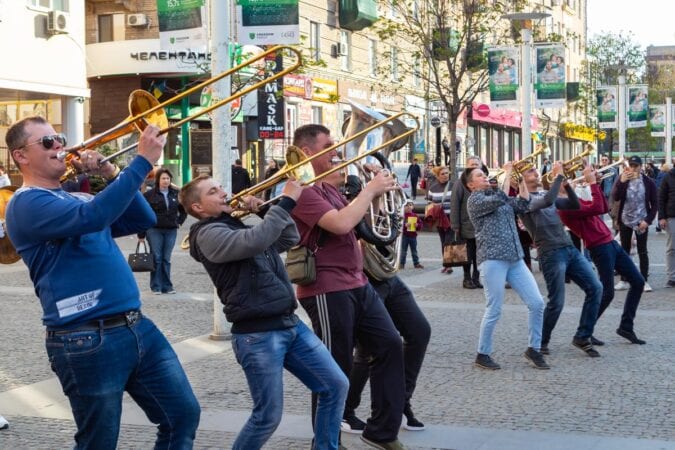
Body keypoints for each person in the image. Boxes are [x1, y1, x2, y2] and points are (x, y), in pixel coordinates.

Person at [5, 117, 200, 449]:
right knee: (99, 442)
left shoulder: (77, 199)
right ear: (20, 156)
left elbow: (142, 218)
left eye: (60, 138)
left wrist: (111, 174)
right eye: (48, 142)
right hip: (84, 337)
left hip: (136, 326)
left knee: (182, 415)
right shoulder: (26, 203)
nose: (59, 147)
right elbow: (94, 218)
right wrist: (141, 163)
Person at [180, 175, 348, 450]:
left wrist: (264, 209)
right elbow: (254, 241)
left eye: (220, 187)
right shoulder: (208, 234)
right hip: (257, 335)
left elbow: (290, 237)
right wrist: (286, 201)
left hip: (289, 324)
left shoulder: (235, 226)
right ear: (198, 208)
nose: (223, 193)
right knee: (267, 416)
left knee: (335, 385)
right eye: (213, 192)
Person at [289, 124, 407, 450]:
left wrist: (378, 196)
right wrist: (369, 190)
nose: (337, 151)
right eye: (329, 146)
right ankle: (327, 442)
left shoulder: (331, 188)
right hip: (326, 288)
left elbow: (360, 227)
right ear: (308, 153)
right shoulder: (302, 190)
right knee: (332, 367)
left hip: (357, 281)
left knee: (389, 345)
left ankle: (381, 431)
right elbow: (339, 223)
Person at [464, 164, 548, 370]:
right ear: (471, 185)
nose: (484, 177)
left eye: (484, 174)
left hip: (515, 258)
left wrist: (521, 181)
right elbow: (500, 197)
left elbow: (523, 204)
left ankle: (534, 349)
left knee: (537, 303)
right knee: (494, 309)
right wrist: (507, 173)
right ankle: (482, 354)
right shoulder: (475, 200)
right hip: (492, 259)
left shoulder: (497, 196)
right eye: (479, 176)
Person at [343, 247, 431, 435]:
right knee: (367, 348)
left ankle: (400, 401)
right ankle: (345, 409)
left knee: (420, 331)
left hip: (386, 271)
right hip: (361, 274)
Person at [519, 164, 603, 357]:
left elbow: (574, 205)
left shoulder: (544, 192)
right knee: (557, 301)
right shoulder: (523, 201)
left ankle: (583, 336)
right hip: (550, 252)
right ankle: (541, 341)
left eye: (535, 169)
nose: (535, 172)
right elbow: (548, 201)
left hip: (568, 248)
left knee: (596, 288)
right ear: (521, 179)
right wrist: (558, 177)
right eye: (530, 171)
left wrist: (567, 186)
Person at [559, 166, 646, 345]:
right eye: (564, 181)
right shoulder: (564, 206)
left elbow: (598, 205)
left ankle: (626, 327)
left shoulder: (572, 199)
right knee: (607, 292)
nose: (569, 182)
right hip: (599, 247)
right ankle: (584, 332)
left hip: (610, 243)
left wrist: (595, 183)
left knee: (637, 282)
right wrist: (592, 183)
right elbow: (599, 207)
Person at [612, 156, 657, 293]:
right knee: (624, 251)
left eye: (636, 166)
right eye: (631, 165)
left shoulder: (648, 182)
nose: (633, 168)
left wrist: (647, 220)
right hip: (625, 219)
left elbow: (655, 204)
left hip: (641, 220)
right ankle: (624, 280)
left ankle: (643, 281)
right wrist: (620, 182)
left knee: (642, 251)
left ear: (640, 167)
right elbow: (615, 197)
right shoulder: (623, 179)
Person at [138, 168, 186, 295]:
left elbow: (183, 210)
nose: (166, 181)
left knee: (166, 258)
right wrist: (141, 235)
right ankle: (156, 286)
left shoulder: (175, 194)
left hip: (171, 229)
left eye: (168, 179)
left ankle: (167, 286)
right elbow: (142, 214)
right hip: (154, 229)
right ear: (158, 180)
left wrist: (179, 221)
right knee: (157, 258)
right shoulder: (149, 195)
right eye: (163, 178)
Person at [450, 155, 483, 289]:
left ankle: (476, 278)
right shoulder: (460, 182)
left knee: (479, 254)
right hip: (465, 225)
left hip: (481, 225)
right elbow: (455, 204)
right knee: (467, 254)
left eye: (477, 164)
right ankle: (467, 278)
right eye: (472, 164)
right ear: (466, 166)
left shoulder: (483, 179)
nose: (474, 166)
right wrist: (455, 224)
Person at [425, 165, 453, 274]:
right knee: (443, 241)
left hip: (451, 218)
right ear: (437, 176)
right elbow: (429, 204)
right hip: (439, 219)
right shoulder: (432, 188)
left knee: (448, 242)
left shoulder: (453, 186)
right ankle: (446, 264)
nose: (446, 175)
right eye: (443, 174)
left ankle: (449, 265)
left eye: (447, 173)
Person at [658, 163, 675, 288]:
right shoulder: (668, 177)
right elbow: (661, 198)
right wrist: (662, 217)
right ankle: (672, 277)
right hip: (671, 216)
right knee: (672, 248)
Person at [400, 200, 423, 269]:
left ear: (413, 207)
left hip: (413, 236)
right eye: (406, 205)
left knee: (414, 251)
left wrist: (417, 225)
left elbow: (421, 224)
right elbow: (399, 225)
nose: (408, 207)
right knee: (403, 251)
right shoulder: (402, 216)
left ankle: (416, 263)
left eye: (410, 205)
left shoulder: (415, 215)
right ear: (403, 207)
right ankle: (401, 263)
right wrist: (404, 225)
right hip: (404, 236)